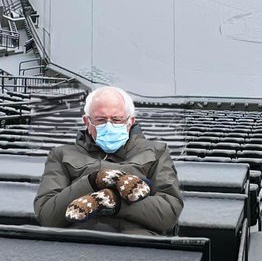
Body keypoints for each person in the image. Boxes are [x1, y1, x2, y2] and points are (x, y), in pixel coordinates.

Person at [33, 85, 183, 235]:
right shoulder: (61, 155)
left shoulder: (156, 152)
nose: (109, 125)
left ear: (130, 122)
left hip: (136, 243)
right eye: (101, 120)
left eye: (117, 119)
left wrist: (114, 202)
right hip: (80, 241)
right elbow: (48, 216)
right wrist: (92, 181)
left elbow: (168, 213)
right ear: (87, 122)